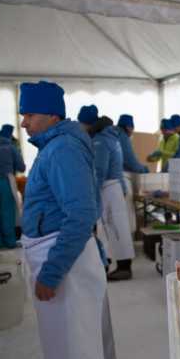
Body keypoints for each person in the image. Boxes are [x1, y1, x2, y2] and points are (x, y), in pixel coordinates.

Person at [19, 82, 121, 359]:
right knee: (62, 343)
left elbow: (80, 214)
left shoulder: (61, 149)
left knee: (77, 346)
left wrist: (51, 271)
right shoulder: (53, 146)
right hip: (56, 251)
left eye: (29, 114)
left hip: (64, 258)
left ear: (51, 114)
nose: (24, 122)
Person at [78, 105, 136, 281]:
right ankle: (107, 264)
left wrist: (91, 194)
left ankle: (124, 267)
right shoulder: (109, 136)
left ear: (86, 123)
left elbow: (100, 170)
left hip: (108, 188)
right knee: (109, 229)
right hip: (113, 187)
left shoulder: (100, 141)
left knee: (114, 229)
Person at [111, 114, 148, 236]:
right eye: (132, 128)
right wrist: (143, 170)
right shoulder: (123, 137)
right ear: (128, 126)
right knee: (126, 216)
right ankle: (127, 249)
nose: (132, 131)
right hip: (121, 178)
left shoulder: (112, 135)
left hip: (110, 182)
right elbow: (130, 159)